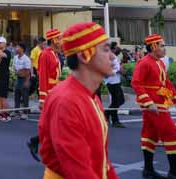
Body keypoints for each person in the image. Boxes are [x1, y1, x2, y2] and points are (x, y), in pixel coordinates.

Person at [38, 22, 118, 179]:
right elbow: (79, 172)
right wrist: (42, 97)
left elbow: (103, 162)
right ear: (84, 56)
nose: (113, 56)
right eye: (106, 49)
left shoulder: (91, 97)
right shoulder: (66, 102)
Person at [132, 34, 176, 179]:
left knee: (150, 134)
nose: (165, 49)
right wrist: (148, 102)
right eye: (162, 45)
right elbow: (136, 83)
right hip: (153, 105)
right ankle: (174, 172)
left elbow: (166, 84)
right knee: (171, 133)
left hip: (161, 103)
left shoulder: (160, 63)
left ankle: (148, 170)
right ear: (153, 47)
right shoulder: (144, 63)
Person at [27, 29, 62, 161]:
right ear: (54, 40)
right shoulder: (45, 55)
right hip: (49, 93)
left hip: (56, 90)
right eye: (59, 38)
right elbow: (43, 77)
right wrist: (42, 99)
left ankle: (36, 142)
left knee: (55, 123)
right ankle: (42, 145)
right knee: (54, 123)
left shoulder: (54, 53)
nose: (61, 41)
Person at [104, 42, 126, 128]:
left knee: (119, 100)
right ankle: (114, 120)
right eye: (116, 47)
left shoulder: (114, 57)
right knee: (117, 100)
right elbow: (105, 71)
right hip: (111, 82)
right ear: (112, 49)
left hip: (116, 81)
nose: (118, 49)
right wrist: (118, 71)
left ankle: (108, 114)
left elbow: (117, 67)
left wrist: (121, 70)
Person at [13, 43, 32, 120]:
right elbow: (14, 67)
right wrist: (19, 72)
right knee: (16, 95)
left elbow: (27, 71)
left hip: (25, 79)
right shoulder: (15, 57)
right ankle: (16, 111)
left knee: (25, 96)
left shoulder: (26, 59)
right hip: (18, 78)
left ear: (22, 49)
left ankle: (25, 113)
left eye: (18, 47)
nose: (16, 48)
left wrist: (27, 81)